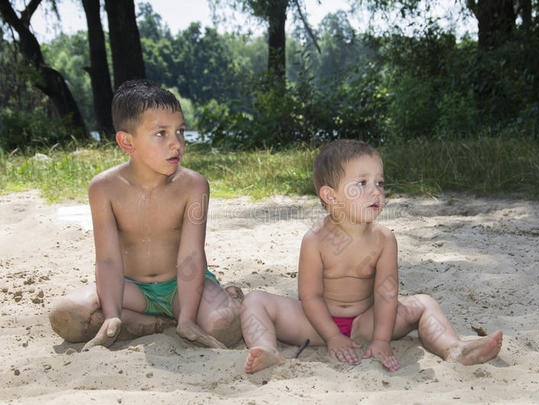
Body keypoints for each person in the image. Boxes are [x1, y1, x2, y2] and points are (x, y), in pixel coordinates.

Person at [240, 139, 502, 373]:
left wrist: (381, 340)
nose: (376, 191)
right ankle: (267, 350)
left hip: (366, 323)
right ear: (330, 196)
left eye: (380, 183)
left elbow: (386, 294)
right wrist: (332, 336)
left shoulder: (384, 239)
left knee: (423, 303)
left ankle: (453, 348)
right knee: (255, 300)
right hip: (315, 324)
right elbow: (310, 296)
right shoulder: (315, 239)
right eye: (362, 183)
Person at [49, 80, 242, 350]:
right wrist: (113, 312)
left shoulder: (194, 186)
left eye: (181, 131)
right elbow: (107, 260)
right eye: (161, 133)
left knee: (225, 328)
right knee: (66, 316)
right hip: (131, 288)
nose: (177, 144)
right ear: (127, 141)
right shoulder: (103, 188)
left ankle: (211, 304)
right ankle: (157, 324)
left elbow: (191, 257)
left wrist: (187, 315)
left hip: (180, 287)